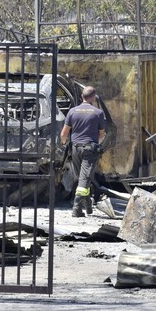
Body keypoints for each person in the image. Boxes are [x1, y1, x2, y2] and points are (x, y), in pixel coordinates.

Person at [59, 86, 105, 217]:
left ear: (81, 97)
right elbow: (101, 134)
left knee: (82, 178)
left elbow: (64, 134)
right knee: (85, 178)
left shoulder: (72, 112)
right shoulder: (98, 113)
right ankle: (77, 208)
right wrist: (95, 142)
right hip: (90, 149)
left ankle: (88, 206)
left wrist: (63, 144)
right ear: (94, 97)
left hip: (75, 148)